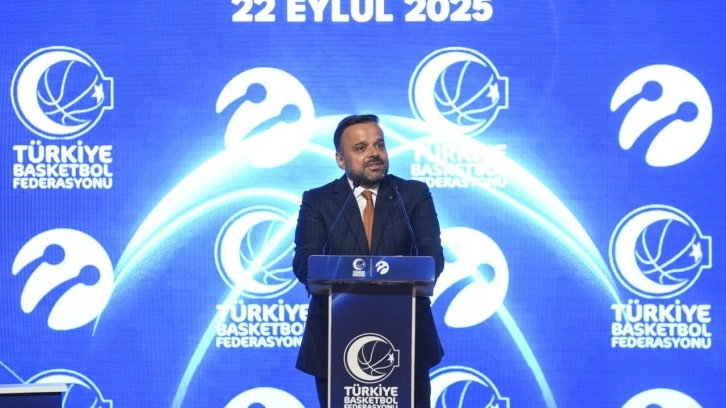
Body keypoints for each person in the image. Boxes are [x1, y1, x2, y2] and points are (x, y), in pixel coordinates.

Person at [292, 114, 445, 407]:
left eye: (379, 145)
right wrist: (360, 276)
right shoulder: (318, 201)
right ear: (341, 160)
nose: (374, 153)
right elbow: (304, 263)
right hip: (335, 340)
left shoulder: (412, 195)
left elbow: (432, 258)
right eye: (361, 148)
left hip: (407, 338)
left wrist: (387, 275)